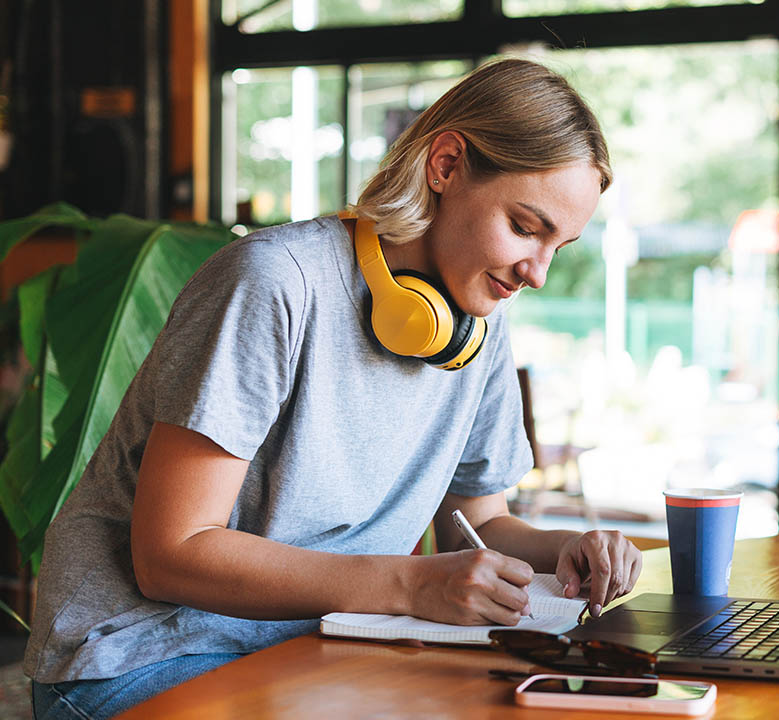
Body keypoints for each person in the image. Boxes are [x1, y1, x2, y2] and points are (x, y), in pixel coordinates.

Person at [23, 58, 642, 718]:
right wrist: (405, 583)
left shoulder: (480, 324)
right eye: (525, 227)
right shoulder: (275, 283)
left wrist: (565, 550)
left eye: (560, 246)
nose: (538, 272)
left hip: (323, 648)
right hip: (144, 657)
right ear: (447, 165)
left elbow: (481, 525)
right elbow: (170, 555)